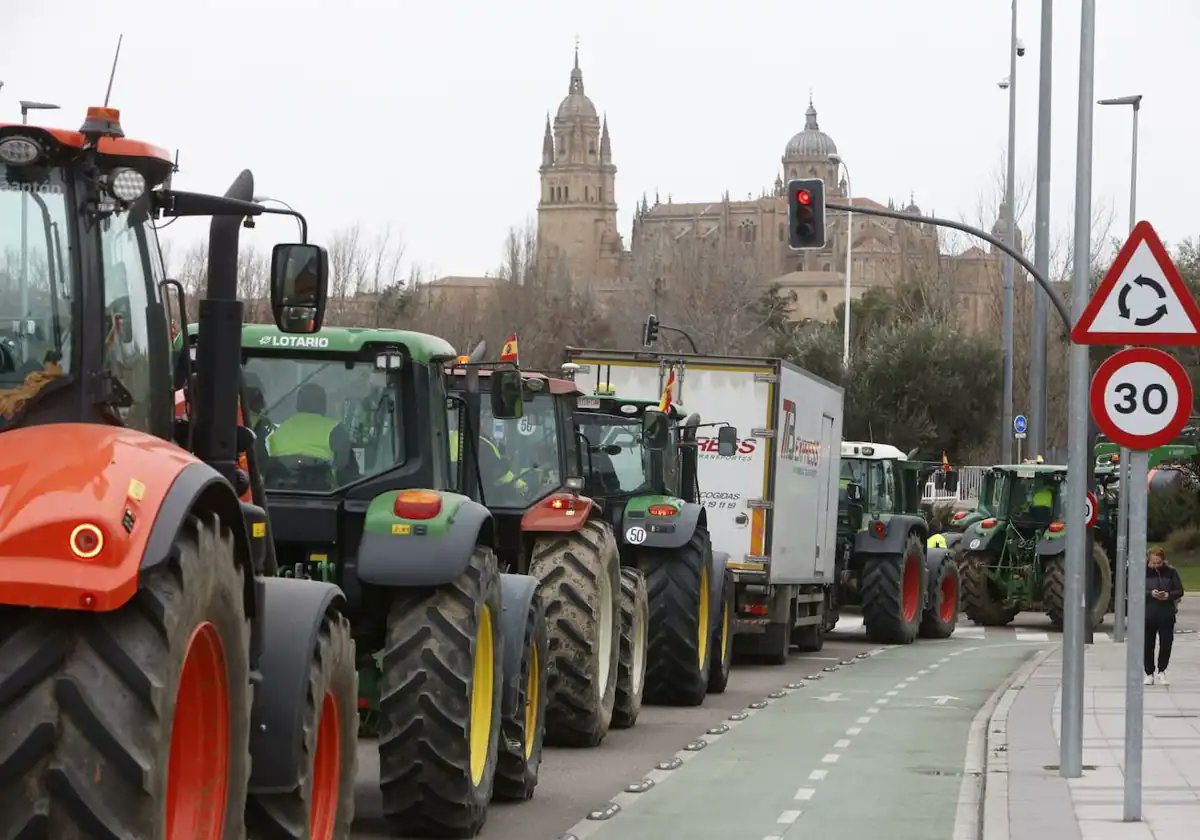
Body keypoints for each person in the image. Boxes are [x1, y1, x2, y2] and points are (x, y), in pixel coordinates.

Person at [267, 383, 358, 486]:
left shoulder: (280, 429)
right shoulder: (335, 429)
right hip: (322, 493)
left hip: (279, 492)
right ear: (323, 404)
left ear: (298, 404)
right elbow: (345, 470)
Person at [1144, 546, 1184, 686]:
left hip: (1166, 614)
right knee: (1147, 644)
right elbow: (1135, 590)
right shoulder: (1142, 573)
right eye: (1153, 562)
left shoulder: (1171, 572)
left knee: (1166, 643)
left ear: (1163, 560)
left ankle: (1162, 670)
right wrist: (1150, 593)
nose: (1155, 565)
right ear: (1148, 561)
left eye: (1158, 562)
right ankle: (1149, 673)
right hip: (1148, 614)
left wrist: (1168, 595)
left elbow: (1179, 590)